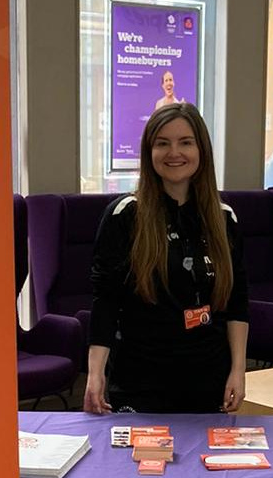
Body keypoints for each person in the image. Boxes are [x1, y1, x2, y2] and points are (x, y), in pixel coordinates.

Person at [85, 102, 249, 415]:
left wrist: (238, 371)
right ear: (149, 153)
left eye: (186, 142)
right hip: (141, 379)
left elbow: (236, 300)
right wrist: (95, 374)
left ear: (201, 150)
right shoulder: (125, 215)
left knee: (207, 464)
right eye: (163, 143)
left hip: (207, 377)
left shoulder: (224, 218)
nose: (175, 152)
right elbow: (105, 300)